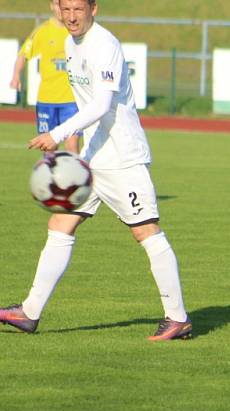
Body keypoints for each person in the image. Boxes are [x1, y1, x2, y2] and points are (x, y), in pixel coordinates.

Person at [2, 0, 192, 341]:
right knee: (61, 223)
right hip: (94, 155)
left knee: (145, 230)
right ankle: (29, 312)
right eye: (65, 9)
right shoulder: (68, 43)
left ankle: (177, 318)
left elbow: (102, 104)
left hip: (122, 157)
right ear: (56, 9)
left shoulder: (105, 45)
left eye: (78, 8)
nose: (71, 16)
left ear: (94, 8)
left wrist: (57, 134)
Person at [9, 0, 79, 154]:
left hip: (72, 101)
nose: (60, 9)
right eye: (56, 4)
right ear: (51, 6)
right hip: (47, 100)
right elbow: (23, 54)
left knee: (72, 146)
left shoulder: (77, 30)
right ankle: (50, 178)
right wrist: (16, 76)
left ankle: (77, 178)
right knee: (49, 149)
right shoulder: (43, 31)